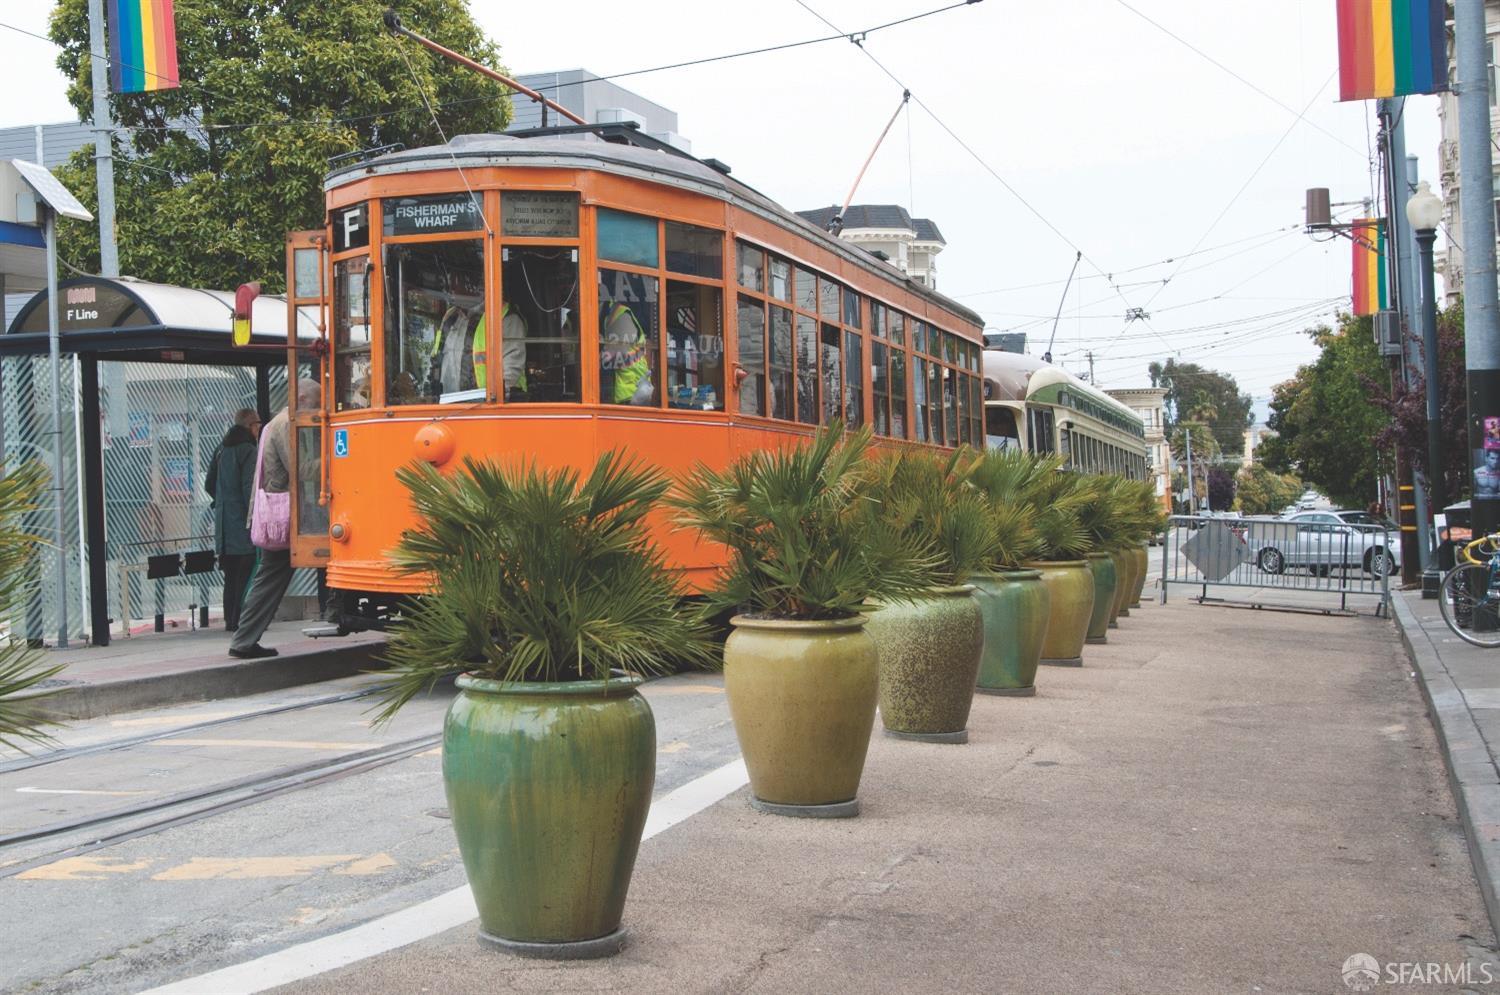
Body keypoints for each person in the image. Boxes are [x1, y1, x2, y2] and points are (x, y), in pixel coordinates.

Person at [229, 379, 320, 659]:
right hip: (284, 515)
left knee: (270, 576)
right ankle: (243, 640)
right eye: (316, 404)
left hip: (282, 513)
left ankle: (245, 639)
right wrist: (337, 458)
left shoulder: (275, 424)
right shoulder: (284, 425)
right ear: (302, 398)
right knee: (269, 577)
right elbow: (301, 469)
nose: (317, 411)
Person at [207, 408, 260, 631]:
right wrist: (255, 515)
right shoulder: (248, 450)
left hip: (223, 527)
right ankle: (241, 619)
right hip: (243, 525)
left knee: (230, 575)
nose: (259, 428)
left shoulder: (221, 449)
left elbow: (209, 484)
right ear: (250, 425)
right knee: (246, 573)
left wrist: (221, 503)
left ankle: (230, 619)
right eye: (258, 423)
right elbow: (250, 488)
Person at [601, 302, 652, 404]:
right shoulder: (611, 316)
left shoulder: (621, 317)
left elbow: (613, 358)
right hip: (634, 392)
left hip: (631, 395)